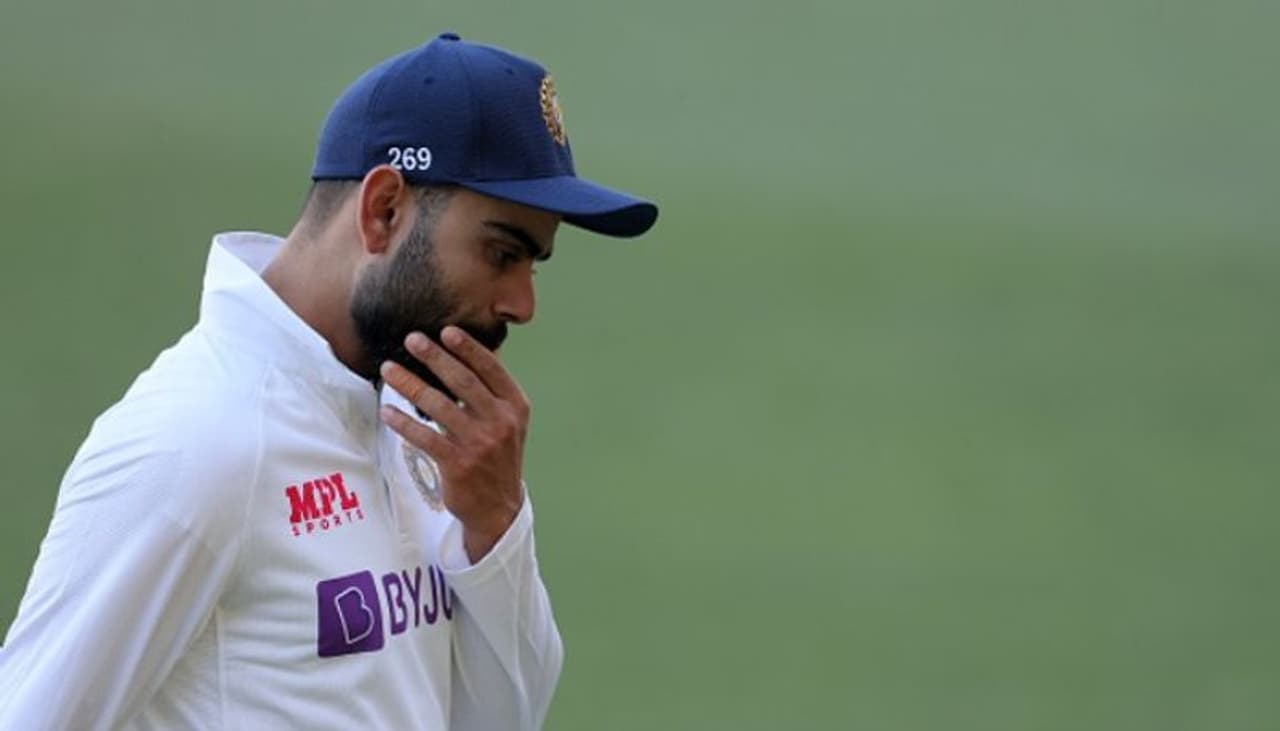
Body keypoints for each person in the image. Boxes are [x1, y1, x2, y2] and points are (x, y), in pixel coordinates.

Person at [0, 31, 657, 730]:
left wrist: (495, 527)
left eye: (533, 265)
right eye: (502, 253)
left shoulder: (422, 422)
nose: (522, 304)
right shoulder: (194, 441)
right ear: (383, 210)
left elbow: (501, 718)